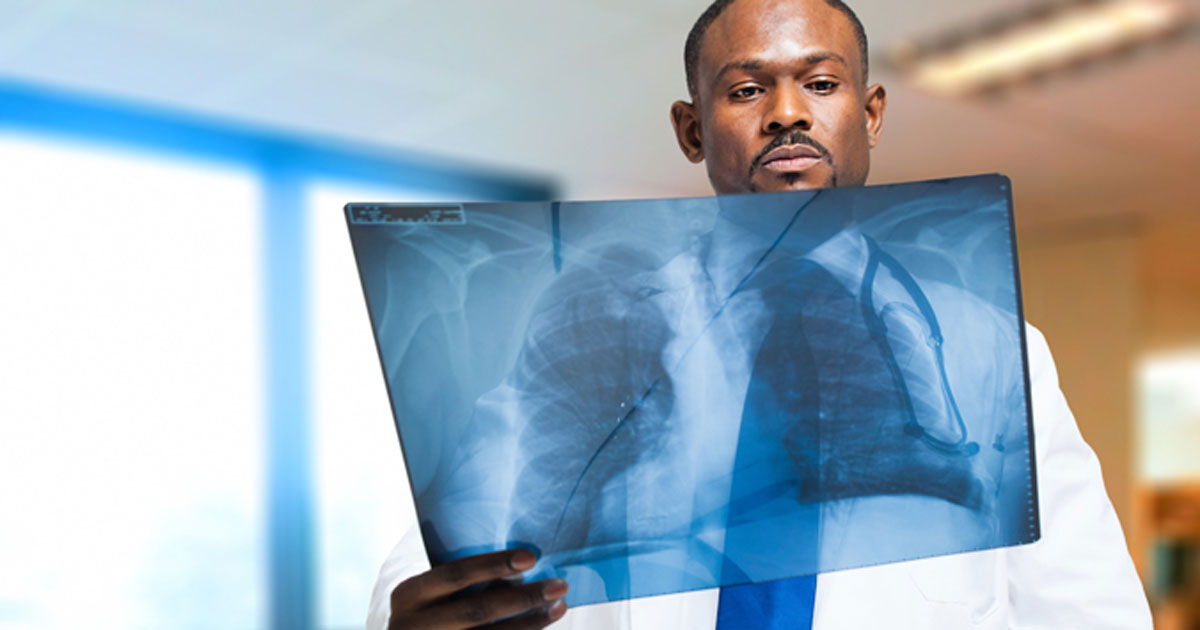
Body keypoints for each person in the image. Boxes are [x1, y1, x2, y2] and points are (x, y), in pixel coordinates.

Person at [368, 0, 1153, 628]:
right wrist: (416, 615)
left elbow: (1092, 612)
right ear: (691, 129)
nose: (787, 114)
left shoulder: (994, 348)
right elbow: (439, 560)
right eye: (746, 90)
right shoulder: (598, 333)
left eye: (821, 83)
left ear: (871, 113)